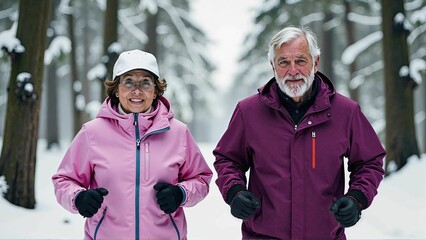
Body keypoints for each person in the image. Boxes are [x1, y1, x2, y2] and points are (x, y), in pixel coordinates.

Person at [213, 26, 386, 239]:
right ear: (273, 66)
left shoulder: (345, 112)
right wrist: (234, 191)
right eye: (284, 62)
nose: (293, 70)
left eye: (301, 61)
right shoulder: (248, 112)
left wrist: (357, 197)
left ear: (315, 63)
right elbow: (227, 159)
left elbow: (370, 162)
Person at [52, 49, 212, 240]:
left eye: (145, 82)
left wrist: (181, 193)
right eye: (128, 82)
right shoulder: (92, 133)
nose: (137, 90)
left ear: (155, 91)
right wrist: (78, 197)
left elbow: (201, 178)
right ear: (117, 90)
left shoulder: (178, 132)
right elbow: (63, 180)